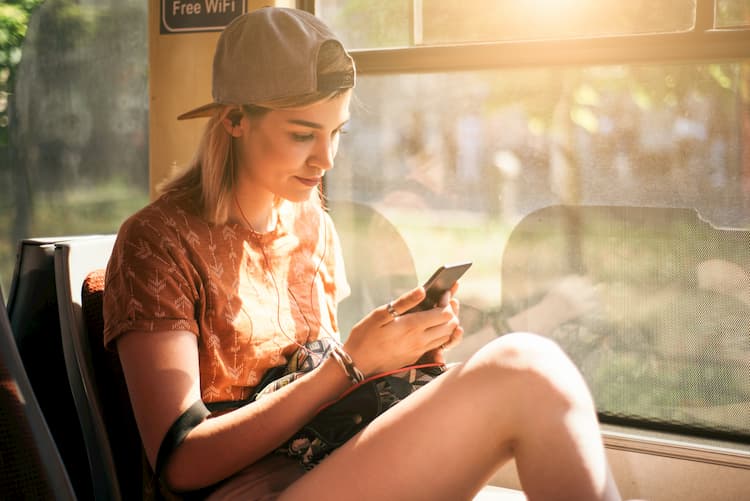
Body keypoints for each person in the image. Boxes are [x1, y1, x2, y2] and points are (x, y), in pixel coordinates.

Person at [103, 7, 622, 501]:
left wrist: (395, 356)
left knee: (530, 366)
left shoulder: (312, 226)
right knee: (523, 367)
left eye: (336, 133)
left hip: (325, 464)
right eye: (303, 134)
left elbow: (318, 397)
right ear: (236, 119)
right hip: (247, 488)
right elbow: (180, 463)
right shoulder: (157, 241)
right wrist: (349, 365)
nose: (325, 159)